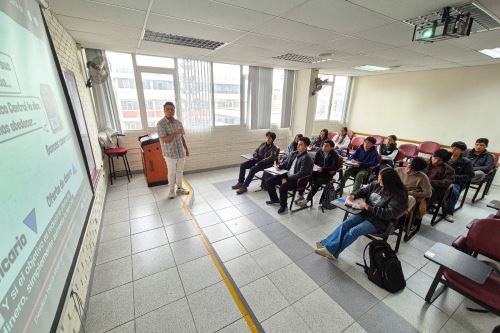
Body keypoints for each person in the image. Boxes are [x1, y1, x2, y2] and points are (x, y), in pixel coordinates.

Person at [315, 168, 408, 259]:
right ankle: (326, 244)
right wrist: (353, 195)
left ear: (390, 182)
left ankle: (331, 251)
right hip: (365, 213)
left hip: (380, 221)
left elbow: (388, 213)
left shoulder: (399, 195)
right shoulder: (376, 185)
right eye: (378, 179)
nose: (379, 182)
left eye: (381, 181)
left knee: (354, 231)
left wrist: (368, 207)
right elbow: (363, 191)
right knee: (346, 224)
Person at [265, 137, 314, 214]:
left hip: (297, 180)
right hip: (286, 175)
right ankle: (275, 199)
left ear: (306, 146)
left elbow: (301, 173)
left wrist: (287, 179)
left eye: (300, 145)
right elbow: (286, 163)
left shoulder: (307, 158)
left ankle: (283, 206)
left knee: (283, 186)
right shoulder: (293, 153)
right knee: (269, 181)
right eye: (298, 144)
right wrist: (279, 166)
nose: (298, 146)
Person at [157, 101, 190, 199]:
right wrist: (175, 132)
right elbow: (165, 140)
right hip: (170, 154)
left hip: (180, 152)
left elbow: (182, 138)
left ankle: (179, 188)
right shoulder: (160, 124)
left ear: (174, 110)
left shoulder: (178, 123)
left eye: (172, 109)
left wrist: (186, 149)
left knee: (180, 171)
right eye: (168, 109)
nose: (170, 111)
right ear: (164, 110)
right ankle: (171, 191)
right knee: (171, 173)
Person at [296, 140, 340, 207]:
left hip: (327, 174)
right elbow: (315, 162)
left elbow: (335, 167)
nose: (324, 147)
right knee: (305, 176)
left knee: (317, 183)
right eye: (323, 145)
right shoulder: (319, 152)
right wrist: (314, 167)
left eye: (326, 146)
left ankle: (307, 200)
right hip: (316, 171)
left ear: (332, 148)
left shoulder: (335, 155)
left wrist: (323, 169)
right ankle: (301, 195)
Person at [444, 141, 474, 222]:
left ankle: (449, 212)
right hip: (442, 179)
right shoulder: (445, 157)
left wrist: (455, 177)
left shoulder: (466, 162)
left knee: (454, 191)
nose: (453, 150)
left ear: (462, 151)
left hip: (455, 182)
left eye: (456, 149)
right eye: (452, 147)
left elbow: (470, 175)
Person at [395, 157, 432, 221]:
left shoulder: (422, 177)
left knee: (410, 199)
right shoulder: (397, 170)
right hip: (394, 191)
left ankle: (398, 219)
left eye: (413, 170)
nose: (409, 171)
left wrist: (410, 193)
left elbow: (428, 193)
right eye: (409, 166)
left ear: (418, 170)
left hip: (406, 196)